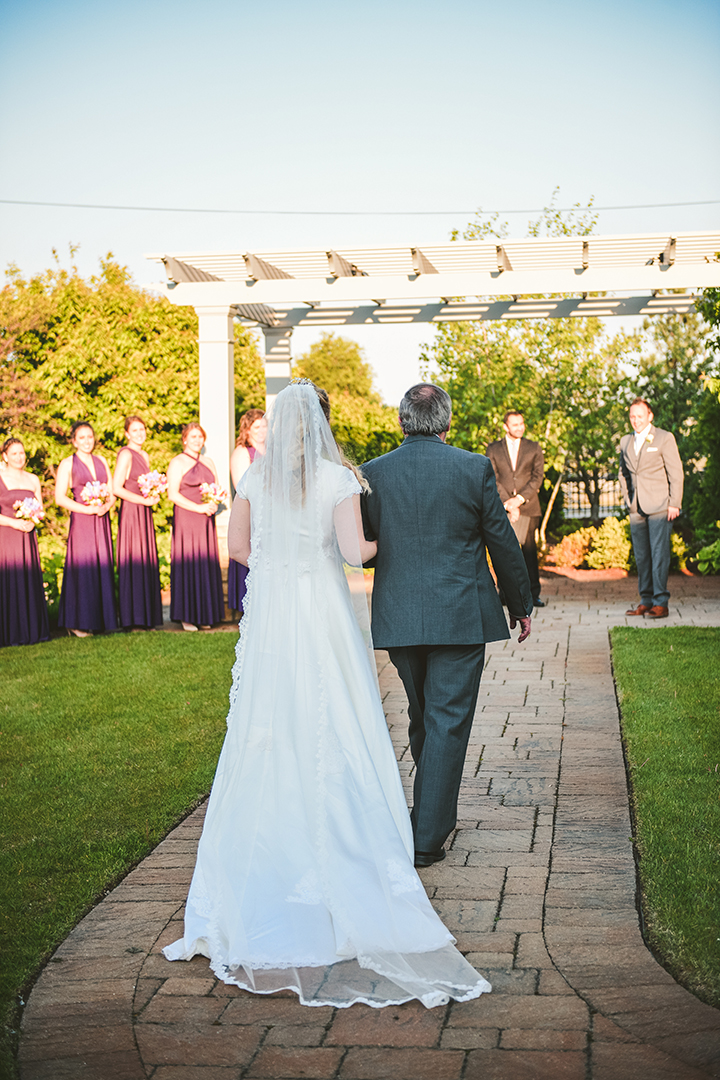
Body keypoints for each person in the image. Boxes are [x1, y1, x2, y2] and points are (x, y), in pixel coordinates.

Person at [163, 381, 492, 1009]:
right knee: (334, 716)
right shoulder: (339, 482)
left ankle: (264, 854)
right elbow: (354, 552)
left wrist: (281, 564)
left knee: (265, 722)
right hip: (321, 612)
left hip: (273, 617)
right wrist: (385, 543)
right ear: (319, 424)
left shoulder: (255, 479)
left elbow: (237, 550)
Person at [361, 384, 533, 867]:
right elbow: (500, 538)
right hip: (459, 614)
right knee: (444, 721)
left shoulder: (373, 474)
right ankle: (426, 838)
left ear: (402, 422)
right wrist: (519, 603)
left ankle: (429, 811)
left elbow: (367, 543)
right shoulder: (472, 467)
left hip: (399, 616)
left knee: (425, 716)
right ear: (446, 423)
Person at [619, 397, 683, 619]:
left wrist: (675, 502)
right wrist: (628, 499)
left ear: (650, 416)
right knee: (642, 557)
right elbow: (623, 473)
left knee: (659, 555)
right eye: (632, 416)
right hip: (636, 507)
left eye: (639, 416)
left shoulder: (664, 438)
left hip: (659, 506)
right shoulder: (625, 441)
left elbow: (676, 472)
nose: (635, 420)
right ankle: (645, 601)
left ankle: (660, 602)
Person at [55, 421, 117, 637]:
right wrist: (86, 509)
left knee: (101, 565)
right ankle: (76, 622)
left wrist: (106, 506)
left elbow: (111, 492)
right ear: (74, 441)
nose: (86, 441)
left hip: (101, 520)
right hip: (82, 522)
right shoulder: (67, 464)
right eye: (81, 438)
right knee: (83, 567)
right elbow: (59, 497)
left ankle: (100, 619)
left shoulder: (102, 461)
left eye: (89, 437)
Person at [167, 422, 224, 631]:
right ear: (184, 439)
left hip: (206, 519)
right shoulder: (177, 462)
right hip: (187, 519)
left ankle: (205, 613)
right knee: (189, 562)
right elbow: (172, 494)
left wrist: (214, 503)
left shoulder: (209, 462)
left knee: (205, 561)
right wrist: (198, 508)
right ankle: (187, 616)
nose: (197, 441)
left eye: (200, 437)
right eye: (193, 437)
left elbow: (216, 489)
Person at [486, 411, 545, 609]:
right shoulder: (493, 449)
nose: (519, 427)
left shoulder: (533, 447)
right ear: (505, 426)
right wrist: (508, 504)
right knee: (504, 552)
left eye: (521, 423)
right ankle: (504, 594)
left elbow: (537, 477)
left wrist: (518, 501)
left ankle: (533, 595)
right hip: (502, 508)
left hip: (528, 507)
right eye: (515, 424)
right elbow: (491, 477)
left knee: (529, 552)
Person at [113, 415, 163, 630]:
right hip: (132, 512)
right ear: (127, 434)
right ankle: (132, 618)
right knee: (133, 559)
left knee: (145, 559)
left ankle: (147, 616)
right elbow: (116, 487)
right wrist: (143, 500)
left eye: (142, 429)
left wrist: (154, 494)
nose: (140, 433)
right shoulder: (126, 454)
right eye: (135, 430)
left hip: (144, 512)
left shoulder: (144, 454)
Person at [0, 437, 50, 647]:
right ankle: (10, 633)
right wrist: (14, 523)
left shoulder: (33, 479)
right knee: (9, 579)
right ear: (5, 456)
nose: (19, 457)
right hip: (6, 536)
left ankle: (31, 630)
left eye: (22, 453)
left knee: (27, 579)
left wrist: (33, 519)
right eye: (14, 454)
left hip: (28, 535)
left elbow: (40, 508)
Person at [227, 409, 266, 614]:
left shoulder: (272, 451)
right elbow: (241, 487)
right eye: (257, 427)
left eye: (264, 425)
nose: (262, 431)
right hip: (251, 515)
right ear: (247, 429)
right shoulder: (242, 452)